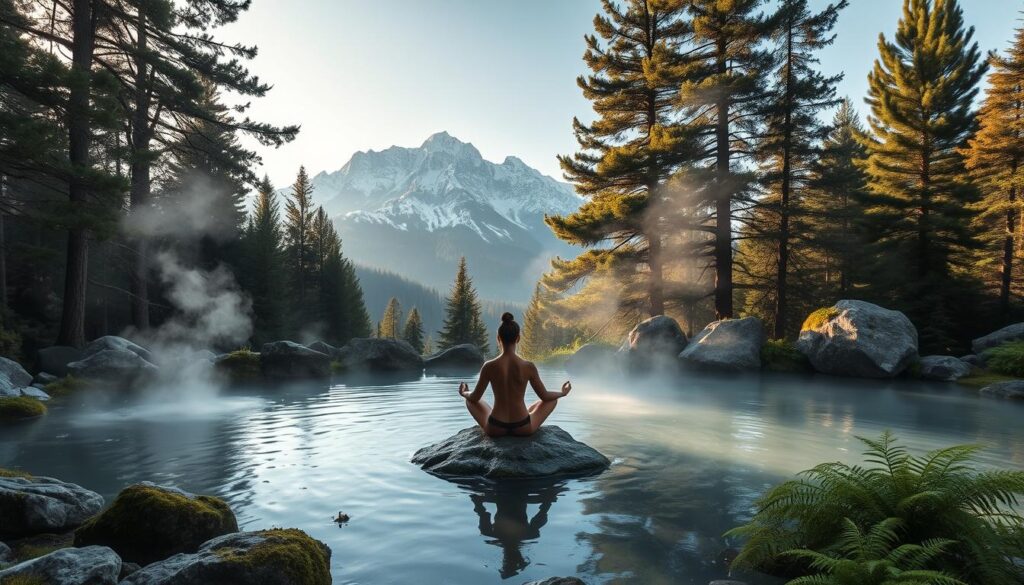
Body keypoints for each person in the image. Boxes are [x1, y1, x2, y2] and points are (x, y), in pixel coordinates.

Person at [459, 312, 571, 437]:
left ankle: (513, 416)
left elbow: (474, 397)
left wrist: (464, 393)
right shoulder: (528, 366)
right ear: (518, 338)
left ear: (498, 338)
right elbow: (545, 396)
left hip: (496, 427)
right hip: (522, 426)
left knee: (469, 401)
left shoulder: (489, 366)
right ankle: (524, 413)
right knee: (552, 400)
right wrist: (562, 393)